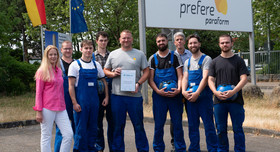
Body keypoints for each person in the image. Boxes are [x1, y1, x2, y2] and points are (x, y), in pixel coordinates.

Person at [103, 30, 149, 152]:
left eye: (128, 38)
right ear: (119, 39)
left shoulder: (139, 54)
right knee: (118, 126)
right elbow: (105, 70)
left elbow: (147, 72)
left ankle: (143, 149)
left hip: (135, 96)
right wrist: (113, 73)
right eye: (124, 38)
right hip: (117, 96)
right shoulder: (113, 54)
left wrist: (138, 83)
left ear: (132, 39)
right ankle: (118, 149)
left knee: (138, 125)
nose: (126, 40)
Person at [208, 34, 249, 152]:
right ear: (219, 44)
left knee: (238, 129)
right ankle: (222, 150)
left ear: (232, 44)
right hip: (219, 101)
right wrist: (215, 92)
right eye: (222, 43)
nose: (224, 45)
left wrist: (233, 91)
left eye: (227, 42)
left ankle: (240, 150)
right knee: (220, 130)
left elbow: (244, 79)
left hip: (236, 101)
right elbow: (210, 79)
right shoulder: (214, 62)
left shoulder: (239, 61)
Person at [148, 33, 186, 152]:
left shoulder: (175, 56)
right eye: (159, 41)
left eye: (163, 40)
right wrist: (158, 91)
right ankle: (158, 148)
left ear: (167, 41)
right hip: (159, 97)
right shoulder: (152, 58)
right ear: (156, 43)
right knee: (159, 125)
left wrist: (179, 89)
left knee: (177, 125)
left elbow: (180, 76)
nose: (161, 43)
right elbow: (150, 79)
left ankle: (180, 148)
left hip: (175, 96)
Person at [68, 40, 109, 152]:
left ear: (92, 50)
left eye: (90, 48)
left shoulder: (96, 65)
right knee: (81, 129)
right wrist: (74, 103)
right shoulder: (75, 65)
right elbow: (71, 86)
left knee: (93, 128)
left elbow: (104, 81)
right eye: (86, 48)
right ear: (81, 49)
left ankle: (91, 149)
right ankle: (79, 149)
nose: (88, 50)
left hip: (94, 102)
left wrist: (106, 97)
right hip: (81, 102)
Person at [181, 34, 218, 152]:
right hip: (191, 97)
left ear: (199, 44)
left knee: (208, 124)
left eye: (195, 43)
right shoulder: (187, 62)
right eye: (191, 43)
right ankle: (194, 148)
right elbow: (185, 78)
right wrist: (183, 91)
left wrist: (197, 93)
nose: (193, 45)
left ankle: (213, 148)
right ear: (188, 45)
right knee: (192, 125)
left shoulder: (206, 59)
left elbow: (205, 78)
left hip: (203, 97)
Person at [33, 45, 73, 152]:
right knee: (46, 136)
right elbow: (38, 92)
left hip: (61, 107)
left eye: (55, 54)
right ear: (46, 56)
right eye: (50, 54)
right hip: (47, 108)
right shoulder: (41, 71)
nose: (53, 56)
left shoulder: (59, 70)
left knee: (68, 134)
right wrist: (38, 111)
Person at [169, 31, 192, 152]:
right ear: (174, 42)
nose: (179, 42)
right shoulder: (171, 56)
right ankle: (175, 144)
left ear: (184, 41)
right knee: (175, 119)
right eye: (177, 40)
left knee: (192, 118)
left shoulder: (191, 55)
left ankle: (193, 144)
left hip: (190, 90)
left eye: (181, 39)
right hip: (177, 91)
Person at [94, 31, 113, 152]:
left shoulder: (113, 55)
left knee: (112, 121)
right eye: (101, 40)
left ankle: (113, 148)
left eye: (105, 40)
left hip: (111, 90)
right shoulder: (91, 55)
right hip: (96, 90)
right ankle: (99, 148)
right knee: (97, 123)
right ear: (97, 41)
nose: (103, 42)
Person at [54, 40, 75, 152]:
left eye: (69, 48)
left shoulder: (77, 63)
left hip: (76, 99)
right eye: (65, 48)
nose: (67, 50)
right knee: (60, 130)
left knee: (78, 128)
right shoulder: (56, 64)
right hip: (61, 100)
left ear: (72, 49)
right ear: (61, 50)